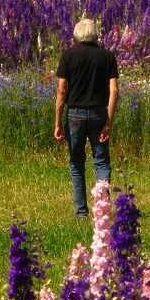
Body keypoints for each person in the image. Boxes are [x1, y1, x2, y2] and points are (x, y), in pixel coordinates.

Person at [54, 18, 119, 217]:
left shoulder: (68, 55)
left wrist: (57, 122)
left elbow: (62, 91)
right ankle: (102, 211)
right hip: (99, 113)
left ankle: (81, 212)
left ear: (76, 34)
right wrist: (108, 120)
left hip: (74, 114)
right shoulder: (107, 56)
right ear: (95, 34)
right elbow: (114, 90)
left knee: (76, 162)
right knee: (101, 161)